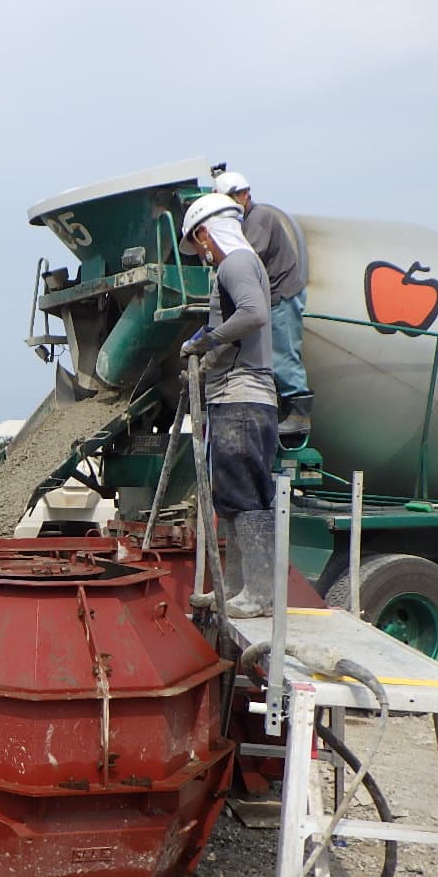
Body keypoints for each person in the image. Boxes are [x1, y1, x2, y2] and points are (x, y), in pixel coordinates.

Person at [179, 193, 277, 618]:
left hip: (242, 397)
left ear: (205, 232)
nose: (200, 252)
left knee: (246, 496)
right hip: (235, 396)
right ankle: (238, 589)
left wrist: (206, 340)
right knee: (235, 498)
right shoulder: (242, 264)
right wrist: (206, 360)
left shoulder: (234, 263)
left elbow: (253, 314)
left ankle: (258, 594)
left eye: (196, 242)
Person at [213, 170, 313, 436]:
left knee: (283, 355)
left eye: (230, 199)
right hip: (268, 298)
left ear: (244, 194)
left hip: (281, 296)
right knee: (274, 357)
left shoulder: (261, 217)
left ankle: (299, 416)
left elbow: (248, 256)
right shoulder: (244, 221)